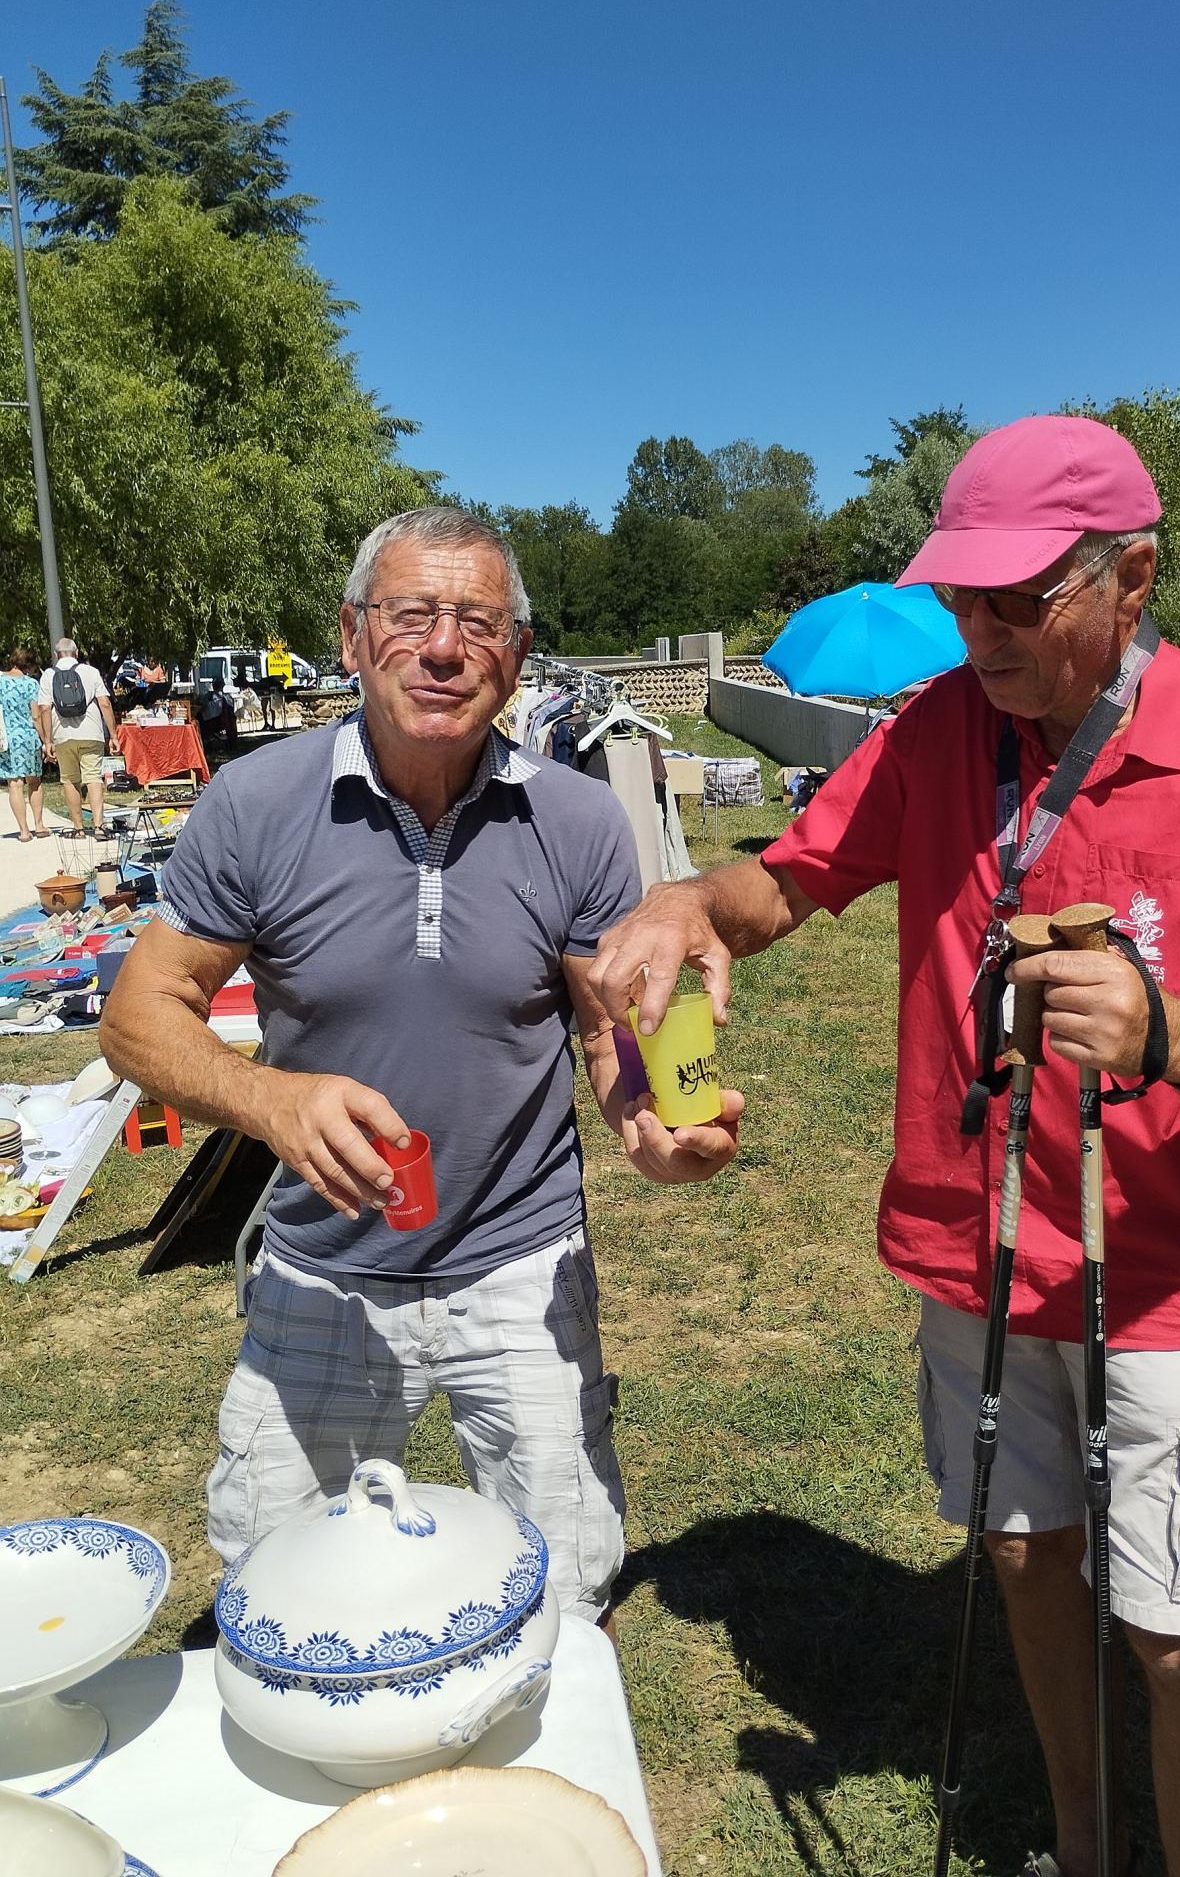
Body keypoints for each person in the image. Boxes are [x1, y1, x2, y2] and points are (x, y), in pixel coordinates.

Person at [589, 416, 1180, 1876]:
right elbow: (787, 882)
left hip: (1161, 1276)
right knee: (1021, 1554)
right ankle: (1080, 1841)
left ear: (1130, 580)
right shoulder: (935, 729)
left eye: (1018, 598)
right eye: (962, 596)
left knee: (1174, 1623)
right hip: (974, 1241)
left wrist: (1172, 1041)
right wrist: (688, 906)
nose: (979, 630)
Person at [99, 505, 742, 1625]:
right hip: (321, 1271)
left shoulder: (581, 823)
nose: (444, 648)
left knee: (559, 1593)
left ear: (518, 656)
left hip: (520, 1266)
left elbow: (602, 1029)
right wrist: (266, 1098)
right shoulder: (257, 804)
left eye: (478, 623)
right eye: (411, 616)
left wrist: (648, 1122)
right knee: (278, 1584)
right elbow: (139, 1014)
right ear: (351, 638)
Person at [38, 636, 120, 834]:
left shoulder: (48, 675)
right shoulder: (90, 672)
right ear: (76, 653)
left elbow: (44, 709)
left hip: (62, 734)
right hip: (91, 732)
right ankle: (99, 826)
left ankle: (78, 828)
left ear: (57, 655)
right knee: (93, 778)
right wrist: (114, 735)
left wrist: (47, 741)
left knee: (70, 780)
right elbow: (105, 704)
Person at [0, 646, 49, 842]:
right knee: (34, 781)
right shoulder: (31, 684)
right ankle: (39, 824)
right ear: (28, 665)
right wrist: (46, 740)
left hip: (8, 737)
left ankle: (23, 830)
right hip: (28, 736)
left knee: (15, 783)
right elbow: (36, 716)